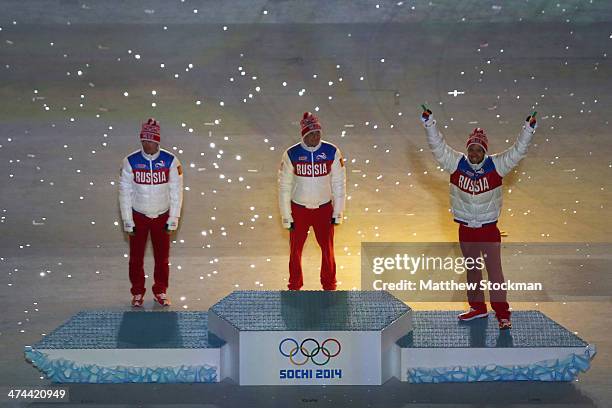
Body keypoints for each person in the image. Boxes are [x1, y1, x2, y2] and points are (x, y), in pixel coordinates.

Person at [420, 107, 537, 329]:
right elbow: (437, 147)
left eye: (478, 149)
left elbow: (518, 151)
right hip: (466, 229)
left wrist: (528, 129)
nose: (474, 153)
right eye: (471, 149)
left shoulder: (497, 165)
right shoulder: (456, 163)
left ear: (484, 151)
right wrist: (429, 124)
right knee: (472, 269)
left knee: (494, 272)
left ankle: (502, 313)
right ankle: (477, 308)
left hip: (488, 229)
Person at [119, 118, 183, 307]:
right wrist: (127, 220)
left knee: (162, 258)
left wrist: (174, 217)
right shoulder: (130, 161)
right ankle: (137, 292)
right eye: (145, 141)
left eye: (152, 141)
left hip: (162, 216)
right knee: (136, 258)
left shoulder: (170, 161)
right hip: (138, 216)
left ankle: (160, 290)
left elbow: (176, 191)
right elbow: (124, 192)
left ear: (158, 141)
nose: (148, 144)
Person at [278, 112, 346, 290]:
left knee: (328, 250)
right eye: (312, 134)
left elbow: (339, 183)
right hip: (299, 210)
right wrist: (286, 216)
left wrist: (338, 212)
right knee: (295, 251)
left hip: (323, 210)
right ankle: (294, 285)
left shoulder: (331, 151)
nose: (316, 137)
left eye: (318, 133)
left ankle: (330, 285)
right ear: (304, 135)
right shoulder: (291, 154)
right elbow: (284, 186)